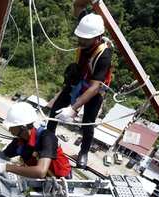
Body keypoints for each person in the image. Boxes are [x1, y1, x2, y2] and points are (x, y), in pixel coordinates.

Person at [47, 0, 113, 168]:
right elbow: (78, 5)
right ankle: (49, 141)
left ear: (97, 37)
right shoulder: (87, 27)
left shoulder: (103, 55)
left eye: (85, 39)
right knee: (54, 111)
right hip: (77, 81)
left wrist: (73, 108)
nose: (81, 40)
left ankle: (83, 152)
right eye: (80, 37)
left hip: (93, 92)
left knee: (88, 124)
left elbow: (93, 88)